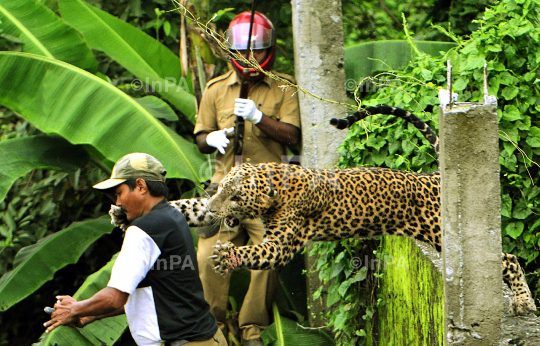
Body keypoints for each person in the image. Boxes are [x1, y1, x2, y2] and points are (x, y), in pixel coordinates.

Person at [194, 11, 301, 346]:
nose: (249, 57)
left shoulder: (283, 88)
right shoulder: (215, 91)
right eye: (242, 51)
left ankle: (251, 327)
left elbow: (292, 135)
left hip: (269, 191)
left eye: (256, 51)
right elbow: (200, 137)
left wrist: (259, 118)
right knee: (208, 256)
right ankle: (215, 327)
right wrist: (211, 139)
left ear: (268, 50)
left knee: (269, 254)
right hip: (223, 188)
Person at [43, 153, 226, 346]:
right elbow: (153, 294)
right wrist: (89, 315)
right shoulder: (173, 218)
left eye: (119, 193)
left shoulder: (143, 229)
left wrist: (73, 310)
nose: (118, 203)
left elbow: (114, 298)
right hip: (209, 338)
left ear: (140, 186)